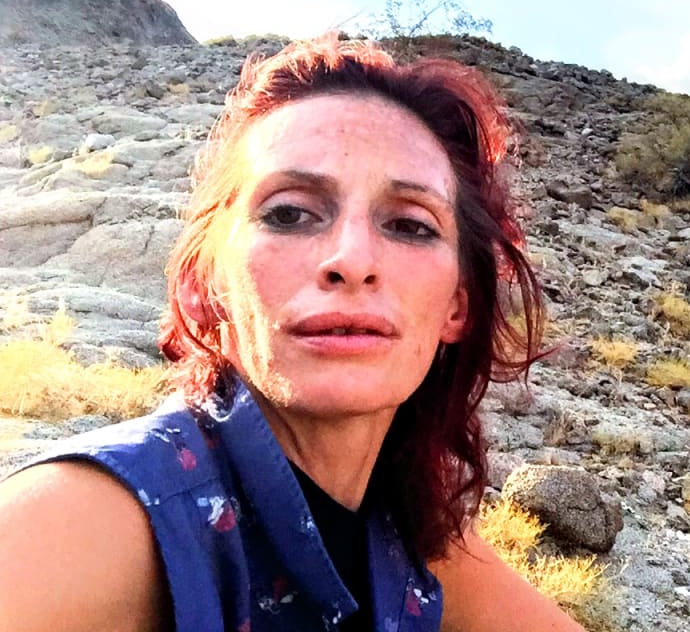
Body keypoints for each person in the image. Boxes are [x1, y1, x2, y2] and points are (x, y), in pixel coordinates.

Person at [0, 35, 586, 632]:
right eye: (289, 213)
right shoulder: (86, 525)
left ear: (457, 308)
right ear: (202, 285)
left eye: (411, 225)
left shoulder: (412, 537)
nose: (352, 259)